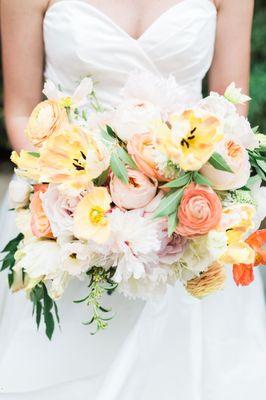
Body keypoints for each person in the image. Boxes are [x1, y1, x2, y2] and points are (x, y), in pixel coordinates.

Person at [1, 1, 266, 399]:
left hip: (189, 226)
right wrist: (81, 202)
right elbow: (22, 113)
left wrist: (192, 202)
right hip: (69, 218)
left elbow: (231, 114)